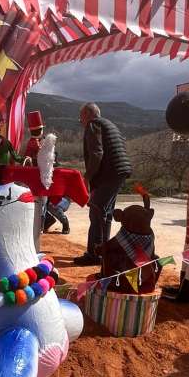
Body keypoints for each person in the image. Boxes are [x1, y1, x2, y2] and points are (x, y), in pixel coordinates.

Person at [73, 103, 131, 266]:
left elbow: (97, 153)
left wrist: (87, 177)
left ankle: (94, 254)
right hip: (118, 172)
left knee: (97, 212)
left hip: (110, 173)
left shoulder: (93, 125)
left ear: (87, 114)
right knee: (106, 213)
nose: (81, 121)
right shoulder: (108, 124)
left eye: (81, 117)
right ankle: (103, 252)